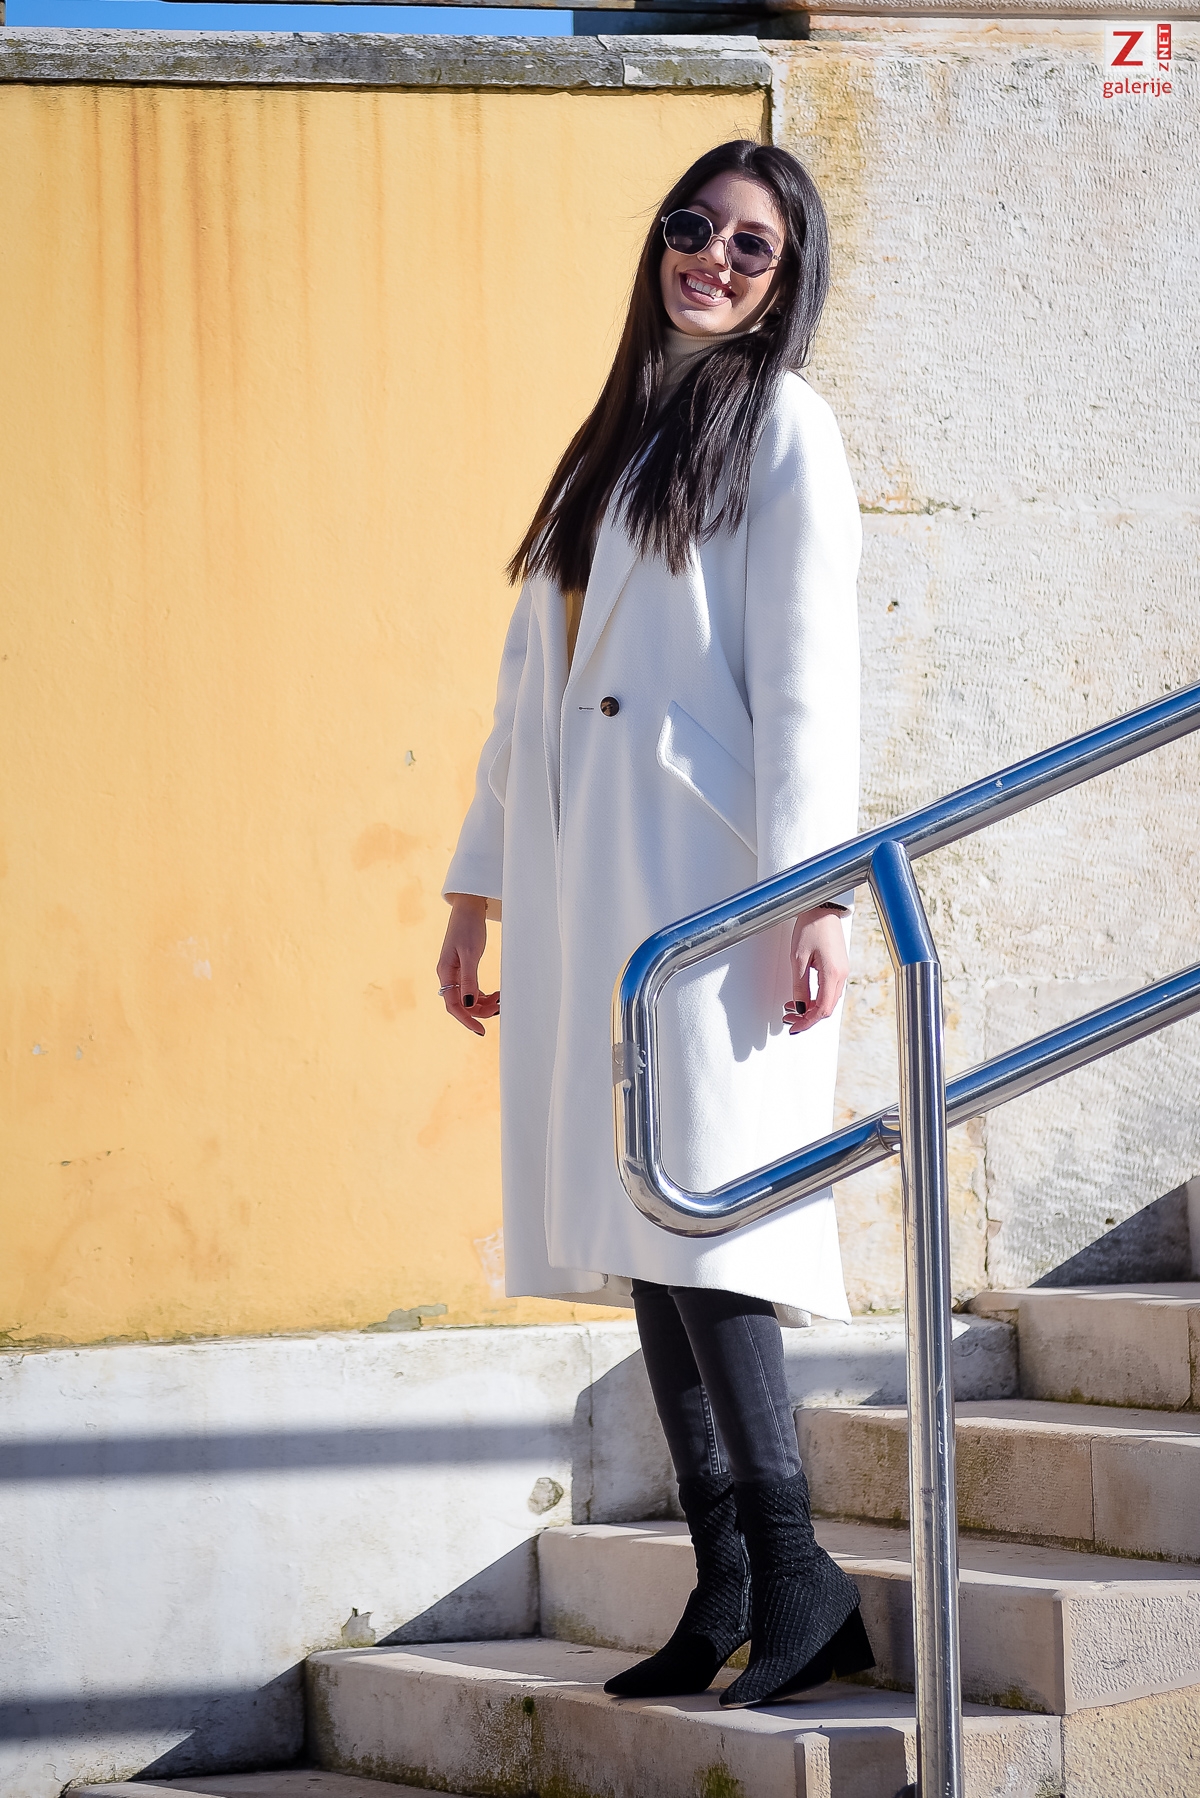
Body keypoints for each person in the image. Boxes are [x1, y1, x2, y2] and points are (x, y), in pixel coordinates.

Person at [437, 139, 873, 1708]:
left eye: (753, 246)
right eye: (696, 227)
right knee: (647, 1219)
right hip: (591, 886)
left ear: (786, 280)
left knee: (711, 1217)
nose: (715, 258)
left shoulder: (785, 424)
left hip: (710, 888)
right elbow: (529, 682)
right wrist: (477, 884)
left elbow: (812, 678)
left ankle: (804, 1574)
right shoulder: (618, 430)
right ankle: (728, 1583)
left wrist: (815, 894)